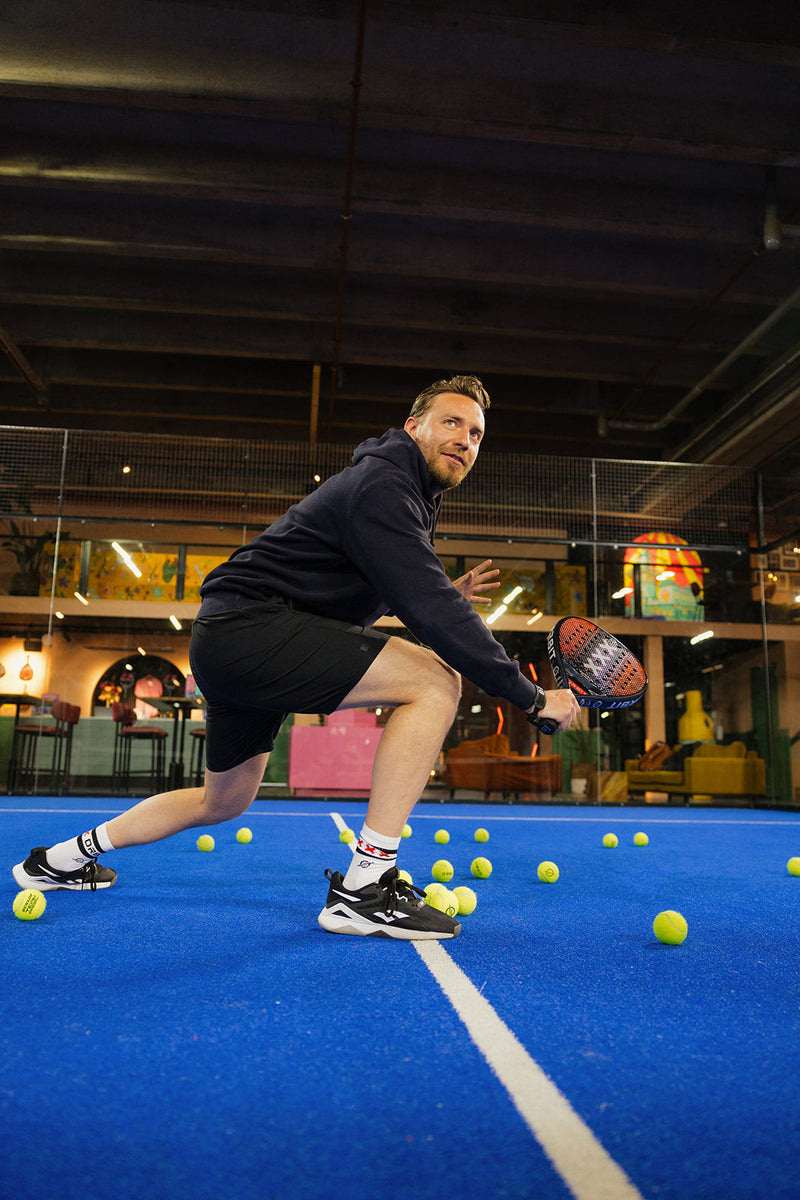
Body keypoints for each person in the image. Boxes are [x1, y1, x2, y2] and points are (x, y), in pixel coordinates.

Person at [13, 375, 578, 939]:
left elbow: (356, 596)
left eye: (476, 434)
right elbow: (434, 614)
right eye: (451, 422)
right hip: (248, 630)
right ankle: (364, 887)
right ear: (413, 427)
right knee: (436, 680)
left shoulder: (401, 493)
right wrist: (530, 696)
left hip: (235, 639)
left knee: (222, 802)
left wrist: (431, 596)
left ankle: (60, 859)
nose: (464, 440)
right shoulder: (385, 484)